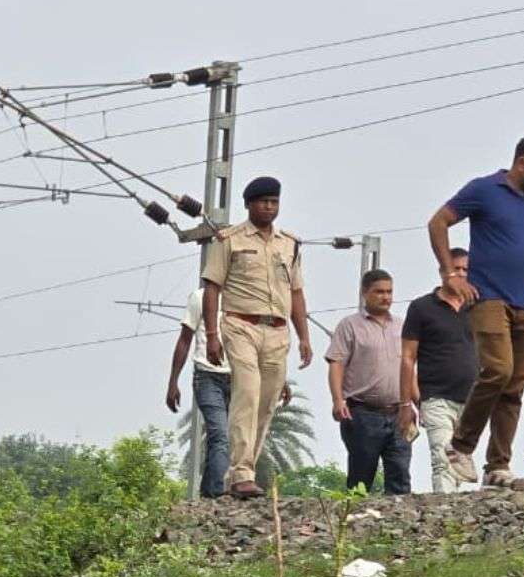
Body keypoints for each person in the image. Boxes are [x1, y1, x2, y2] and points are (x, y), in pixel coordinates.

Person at [427, 135, 524, 490]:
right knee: (498, 370)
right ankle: (460, 446)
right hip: (488, 298)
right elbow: (438, 222)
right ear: (522, 163)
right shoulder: (484, 190)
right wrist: (450, 274)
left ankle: (498, 465)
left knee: (516, 384)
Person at [201, 176, 312, 498]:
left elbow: (297, 293)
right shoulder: (229, 239)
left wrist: (304, 337)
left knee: (265, 405)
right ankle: (242, 474)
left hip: (278, 331)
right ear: (249, 204)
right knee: (246, 394)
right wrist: (212, 334)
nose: (269, 207)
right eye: (263, 201)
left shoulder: (289, 244)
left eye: (274, 202)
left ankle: (239, 471)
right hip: (240, 325)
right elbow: (212, 287)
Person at [165, 285, 292, 497]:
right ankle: (217, 493)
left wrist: (279, 381)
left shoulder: (248, 298)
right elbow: (185, 339)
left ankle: (214, 491)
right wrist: (173, 382)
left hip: (241, 377)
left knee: (238, 435)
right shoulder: (200, 298)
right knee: (220, 434)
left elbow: (263, 346)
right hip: (208, 375)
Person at [398, 248, 477, 493]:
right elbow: (408, 357)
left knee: (463, 464)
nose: (461, 274)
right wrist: (406, 404)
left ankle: (463, 522)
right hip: (435, 398)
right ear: (444, 271)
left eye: (466, 269)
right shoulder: (422, 308)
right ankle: (447, 518)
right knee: (443, 461)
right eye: (456, 269)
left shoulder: (479, 307)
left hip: (474, 401)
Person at [326, 269, 411, 494]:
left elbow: (409, 367)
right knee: (361, 479)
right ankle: (354, 521)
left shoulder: (402, 327)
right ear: (365, 293)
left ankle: (399, 523)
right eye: (379, 292)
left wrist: (415, 403)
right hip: (362, 414)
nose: (386, 297)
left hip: (398, 413)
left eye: (389, 292)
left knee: (400, 475)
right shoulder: (350, 325)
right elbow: (336, 363)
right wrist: (337, 400)